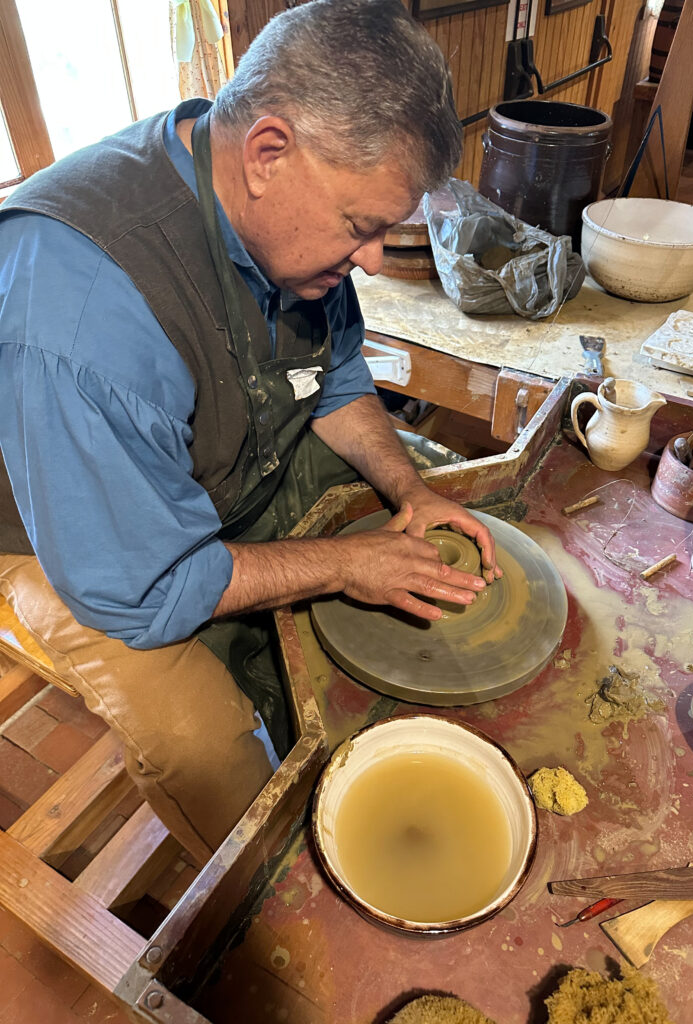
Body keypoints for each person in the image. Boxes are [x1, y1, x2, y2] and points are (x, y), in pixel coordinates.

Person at [0, 0, 499, 864]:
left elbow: (333, 374)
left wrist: (413, 492)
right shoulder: (85, 313)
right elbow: (145, 586)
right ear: (269, 151)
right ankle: (277, 922)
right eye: (364, 228)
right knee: (217, 760)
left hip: (221, 450)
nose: (377, 260)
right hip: (71, 534)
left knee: (445, 510)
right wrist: (346, 564)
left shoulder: (279, 215)